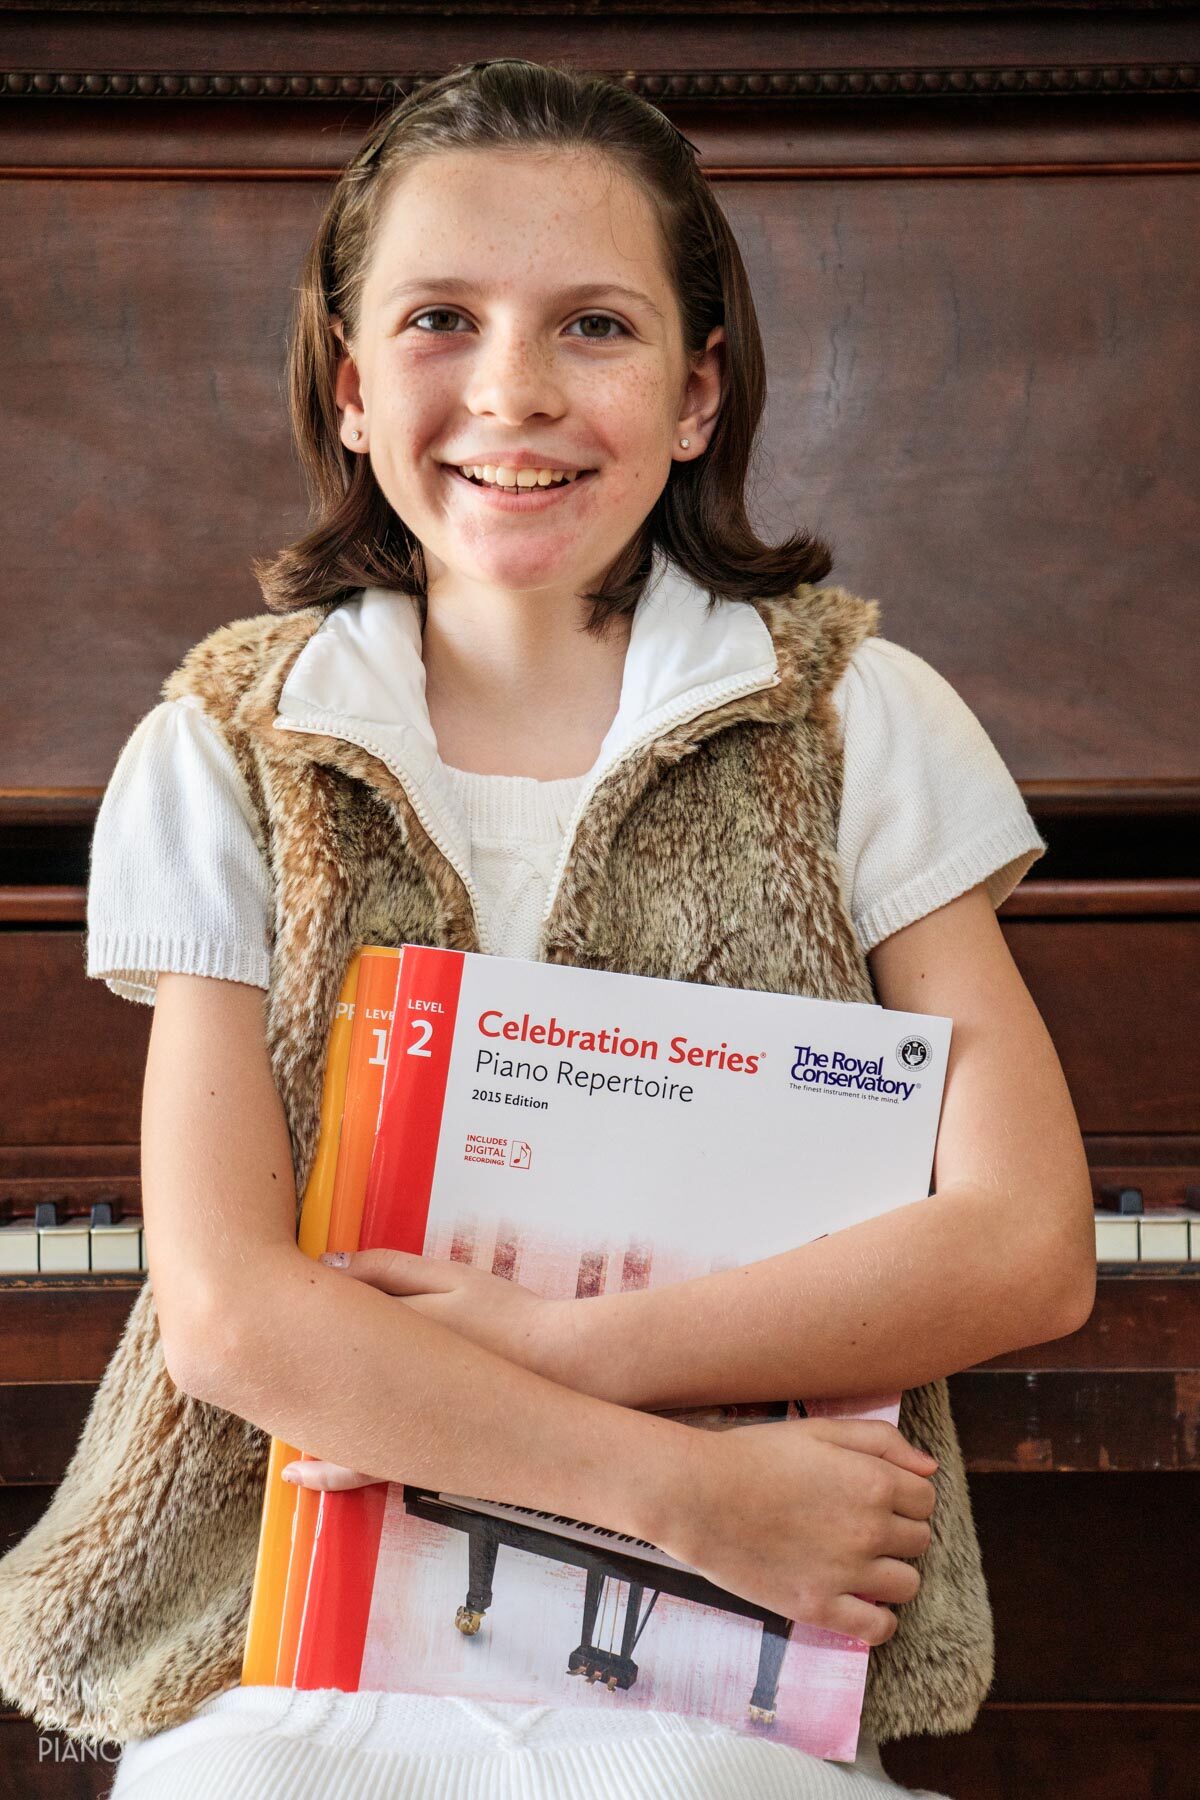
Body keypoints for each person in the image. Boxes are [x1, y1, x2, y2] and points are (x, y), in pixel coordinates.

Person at [69, 54, 1095, 1800]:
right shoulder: (221, 751)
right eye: (441, 321)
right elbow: (232, 1317)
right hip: (298, 1624)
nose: (513, 394)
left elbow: (1025, 1245)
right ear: (346, 385)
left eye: (595, 328)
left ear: (700, 394)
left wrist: (553, 1351)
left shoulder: (861, 719)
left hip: (731, 1653)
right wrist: (676, 1487)